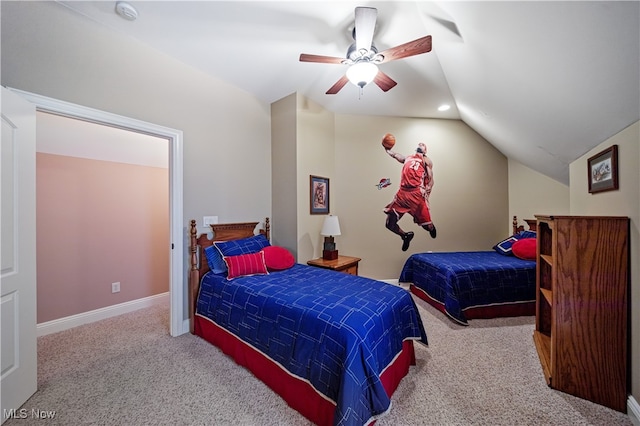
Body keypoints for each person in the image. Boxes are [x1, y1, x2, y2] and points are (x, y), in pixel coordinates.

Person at [384, 142, 436, 251]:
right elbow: (396, 156)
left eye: (423, 145)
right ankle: (405, 236)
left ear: (425, 151)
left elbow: (430, 178)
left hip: (416, 194)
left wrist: (428, 189)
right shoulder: (408, 158)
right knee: (389, 223)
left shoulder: (426, 160)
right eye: (419, 144)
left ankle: (431, 227)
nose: (420, 144)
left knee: (427, 226)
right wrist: (388, 150)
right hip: (402, 194)